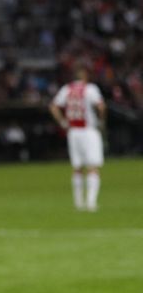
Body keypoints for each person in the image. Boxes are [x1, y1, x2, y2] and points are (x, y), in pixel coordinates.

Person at [48, 66, 106, 211]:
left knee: (77, 168)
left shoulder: (66, 89)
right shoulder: (90, 89)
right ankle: (91, 203)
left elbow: (54, 106)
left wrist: (62, 122)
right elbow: (101, 106)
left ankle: (78, 203)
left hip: (73, 132)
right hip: (88, 131)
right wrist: (101, 121)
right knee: (93, 167)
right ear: (86, 76)